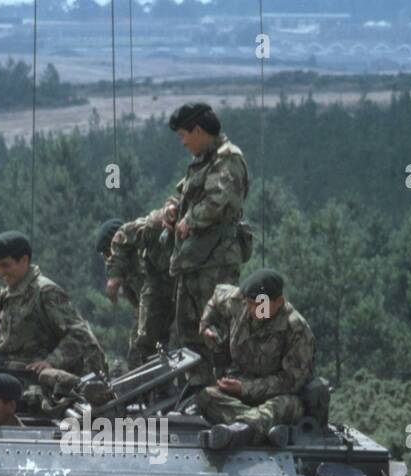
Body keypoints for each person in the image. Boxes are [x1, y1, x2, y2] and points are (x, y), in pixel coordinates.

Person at [0, 230, 106, 402]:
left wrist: (51, 361)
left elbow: (80, 334)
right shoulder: (16, 290)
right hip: (7, 371)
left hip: (29, 377)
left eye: (5, 265)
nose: (0, 272)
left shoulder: (45, 292)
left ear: (24, 260)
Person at [158, 102, 250, 386]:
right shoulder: (203, 161)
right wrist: (172, 209)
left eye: (184, 135)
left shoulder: (228, 159)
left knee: (216, 330)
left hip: (216, 262)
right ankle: (197, 391)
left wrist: (190, 220)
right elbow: (184, 194)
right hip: (193, 260)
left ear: (198, 131)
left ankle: (223, 389)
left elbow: (219, 200)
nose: (183, 143)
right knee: (188, 330)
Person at [196, 268, 314, 451]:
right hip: (239, 391)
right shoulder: (239, 301)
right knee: (206, 397)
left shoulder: (296, 329)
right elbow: (215, 298)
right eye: (250, 303)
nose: (253, 309)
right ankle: (261, 431)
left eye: (260, 304)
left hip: (275, 397)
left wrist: (246, 389)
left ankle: (241, 431)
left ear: (279, 302)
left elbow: (291, 382)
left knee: (285, 405)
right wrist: (206, 326)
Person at [99, 214, 174, 368]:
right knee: (137, 353)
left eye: (108, 253)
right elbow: (138, 307)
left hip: (170, 300)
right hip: (153, 311)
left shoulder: (142, 247)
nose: (108, 261)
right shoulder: (127, 276)